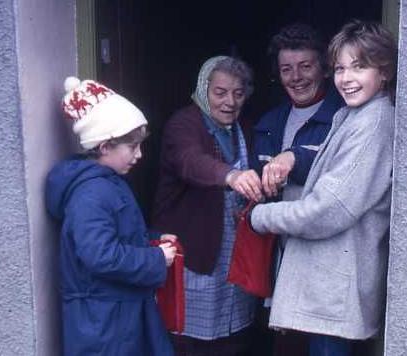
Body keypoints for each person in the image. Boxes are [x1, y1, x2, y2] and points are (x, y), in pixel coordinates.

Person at [250, 20, 398, 356]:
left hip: (332, 290)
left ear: (384, 71)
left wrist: (260, 216)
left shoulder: (373, 122)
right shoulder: (354, 115)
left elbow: (327, 211)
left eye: (359, 67)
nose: (346, 78)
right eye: (340, 68)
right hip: (326, 287)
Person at [45, 77, 177, 355]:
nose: (139, 155)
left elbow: (116, 233)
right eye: (132, 147)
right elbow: (100, 254)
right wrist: (154, 258)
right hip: (103, 326)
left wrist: (153, 240)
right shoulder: (90, 194)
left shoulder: (106, 182)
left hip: (113, 317)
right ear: (104, 146)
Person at [152, 56, 262, 355]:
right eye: (220, 92)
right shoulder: (184, 124)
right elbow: (190, 161)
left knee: (233, 329)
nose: (230, 102)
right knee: (190, 338)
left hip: (233, 249)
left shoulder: (245, 129)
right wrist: (230, 175)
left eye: (238, 93)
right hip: (194, 251)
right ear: (204, 89)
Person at [249, 23, 345, 355]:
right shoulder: (268, 123)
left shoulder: (343, 118)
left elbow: (335, 170)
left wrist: (294, 158)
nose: (297, 77)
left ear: (325, 68)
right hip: (281, 258)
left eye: (305, 66)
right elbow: (257, 180)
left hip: (325, 264)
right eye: (287, 69)